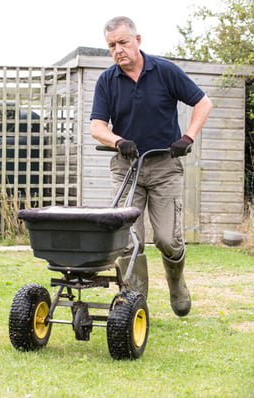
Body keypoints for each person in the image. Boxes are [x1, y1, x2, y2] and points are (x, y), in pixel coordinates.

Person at [90, 16, 213, 317]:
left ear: (137, 40)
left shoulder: (165, 71)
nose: (117, 50)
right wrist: (118, 141)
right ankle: (135, 305)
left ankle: (177, 282)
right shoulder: (107, 80)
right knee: (127, 238)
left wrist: (187, 137)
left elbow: (203, 103)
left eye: (122, 42)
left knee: (168, 239)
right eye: (111, 46)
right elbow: (97, 127)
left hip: (164, 167)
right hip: (126, 167)